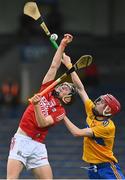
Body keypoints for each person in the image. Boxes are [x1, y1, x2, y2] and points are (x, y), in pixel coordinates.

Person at [7, 34, 77, 179]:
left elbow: (42, 123)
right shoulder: (47, 90)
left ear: (67, 98)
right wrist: (63, 45)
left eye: (66, 88)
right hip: (22, 140)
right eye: (63, 84)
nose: (63, 85)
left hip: (38, 145)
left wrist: (37, 105)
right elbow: (54, 66)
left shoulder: (60, 112)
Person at [61, 53, 125, 179]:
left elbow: (77, 133)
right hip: (93, 169)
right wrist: (69, 66)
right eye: (100, 99)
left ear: (107, 110)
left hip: (107, 169)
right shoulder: (92, 111)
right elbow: (80, 89)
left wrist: (61, 114)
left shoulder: (107, 127)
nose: (97, 101)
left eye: (101, 102)